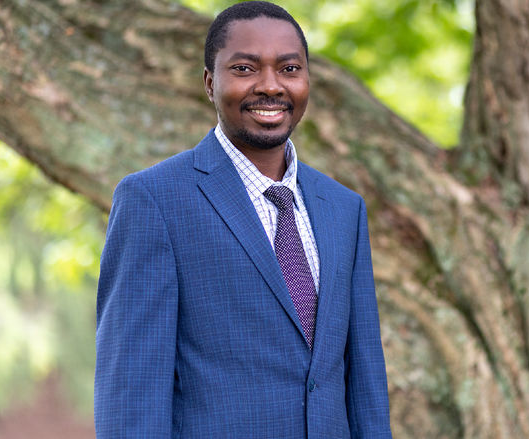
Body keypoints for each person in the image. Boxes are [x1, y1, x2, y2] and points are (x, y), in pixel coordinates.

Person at [94, 2, 392, 437]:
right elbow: (132, 393)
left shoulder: (344, 208)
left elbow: (365, 381)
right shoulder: (153, 200)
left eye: (289, 69)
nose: (270, 86)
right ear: (210, 83)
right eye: (245, 69)